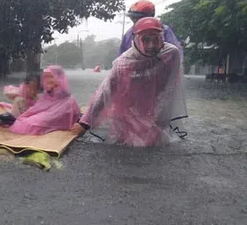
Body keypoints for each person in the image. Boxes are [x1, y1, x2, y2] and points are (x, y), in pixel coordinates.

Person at [71, 17, 188, 147]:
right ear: (135, 39)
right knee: (131, 147)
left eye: (156, 39)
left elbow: (170, 88)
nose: (151, 46)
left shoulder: (171, 54)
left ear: (162, 37)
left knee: (156, 146)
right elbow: (104, 93)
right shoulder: (123, 63)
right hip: (126, 116)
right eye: (145, 40)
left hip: (155, 115)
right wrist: (84, 123)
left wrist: (159, 117)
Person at [0, 65, 80, 135]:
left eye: (51, 76)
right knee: (26, 120)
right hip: (50, 111)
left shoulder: (65, 94)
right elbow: (38, 107)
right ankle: (13, 120)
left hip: (60, 110)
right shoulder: (46, 93)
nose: (48, 79)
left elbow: (63, 102)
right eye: (47, 76)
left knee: (30, 124)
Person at [118, 0, 184, 61]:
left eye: (138, 17)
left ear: (150, 16)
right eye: (133, 17)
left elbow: (176, 53)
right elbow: (121, 58)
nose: (135, 20)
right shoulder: (129, 34)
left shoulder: (164, 30)